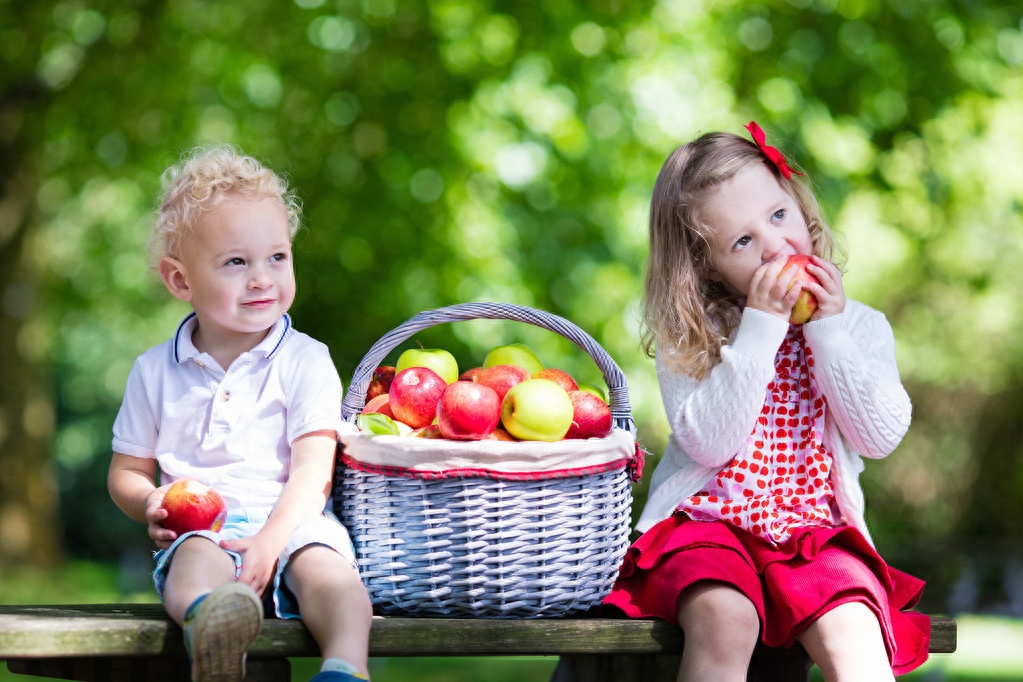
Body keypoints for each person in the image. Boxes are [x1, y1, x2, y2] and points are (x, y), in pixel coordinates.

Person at [603, 123, 930, 681]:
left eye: (779, 217)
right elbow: (708, 443)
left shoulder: (859, 326)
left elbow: (880, 435)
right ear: (708, 266)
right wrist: (760, 330)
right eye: (743, 242)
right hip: (709, 523)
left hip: (812, 530)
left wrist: (827, 333)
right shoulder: (694, 333)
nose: (776, 246)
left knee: (855, 632)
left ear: (799, 206)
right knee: (724, 618)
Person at [108, 145, 372, 682]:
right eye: (236, 262)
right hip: (207, 524)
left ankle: (345, 667)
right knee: (194, 565)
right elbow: (126, 472)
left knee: (331, 575)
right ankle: (213, 624)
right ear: (180, 281)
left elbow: (312, 472)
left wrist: (272, 539)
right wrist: (150, 501)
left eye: (277, 257)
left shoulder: (305, 359)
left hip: (293, 521)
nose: (262, 278)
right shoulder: (154, 371)